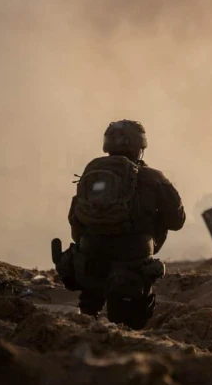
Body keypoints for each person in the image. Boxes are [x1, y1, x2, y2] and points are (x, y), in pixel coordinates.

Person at [56, 120, 186, 329]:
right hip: (132, 261)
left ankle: (90, 307)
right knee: (129, 325)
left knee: (88, 311)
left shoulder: (92, 172)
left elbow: (75, 217)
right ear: (139, 147)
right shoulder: (152, 177)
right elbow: (177, 221)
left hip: (88, 262)